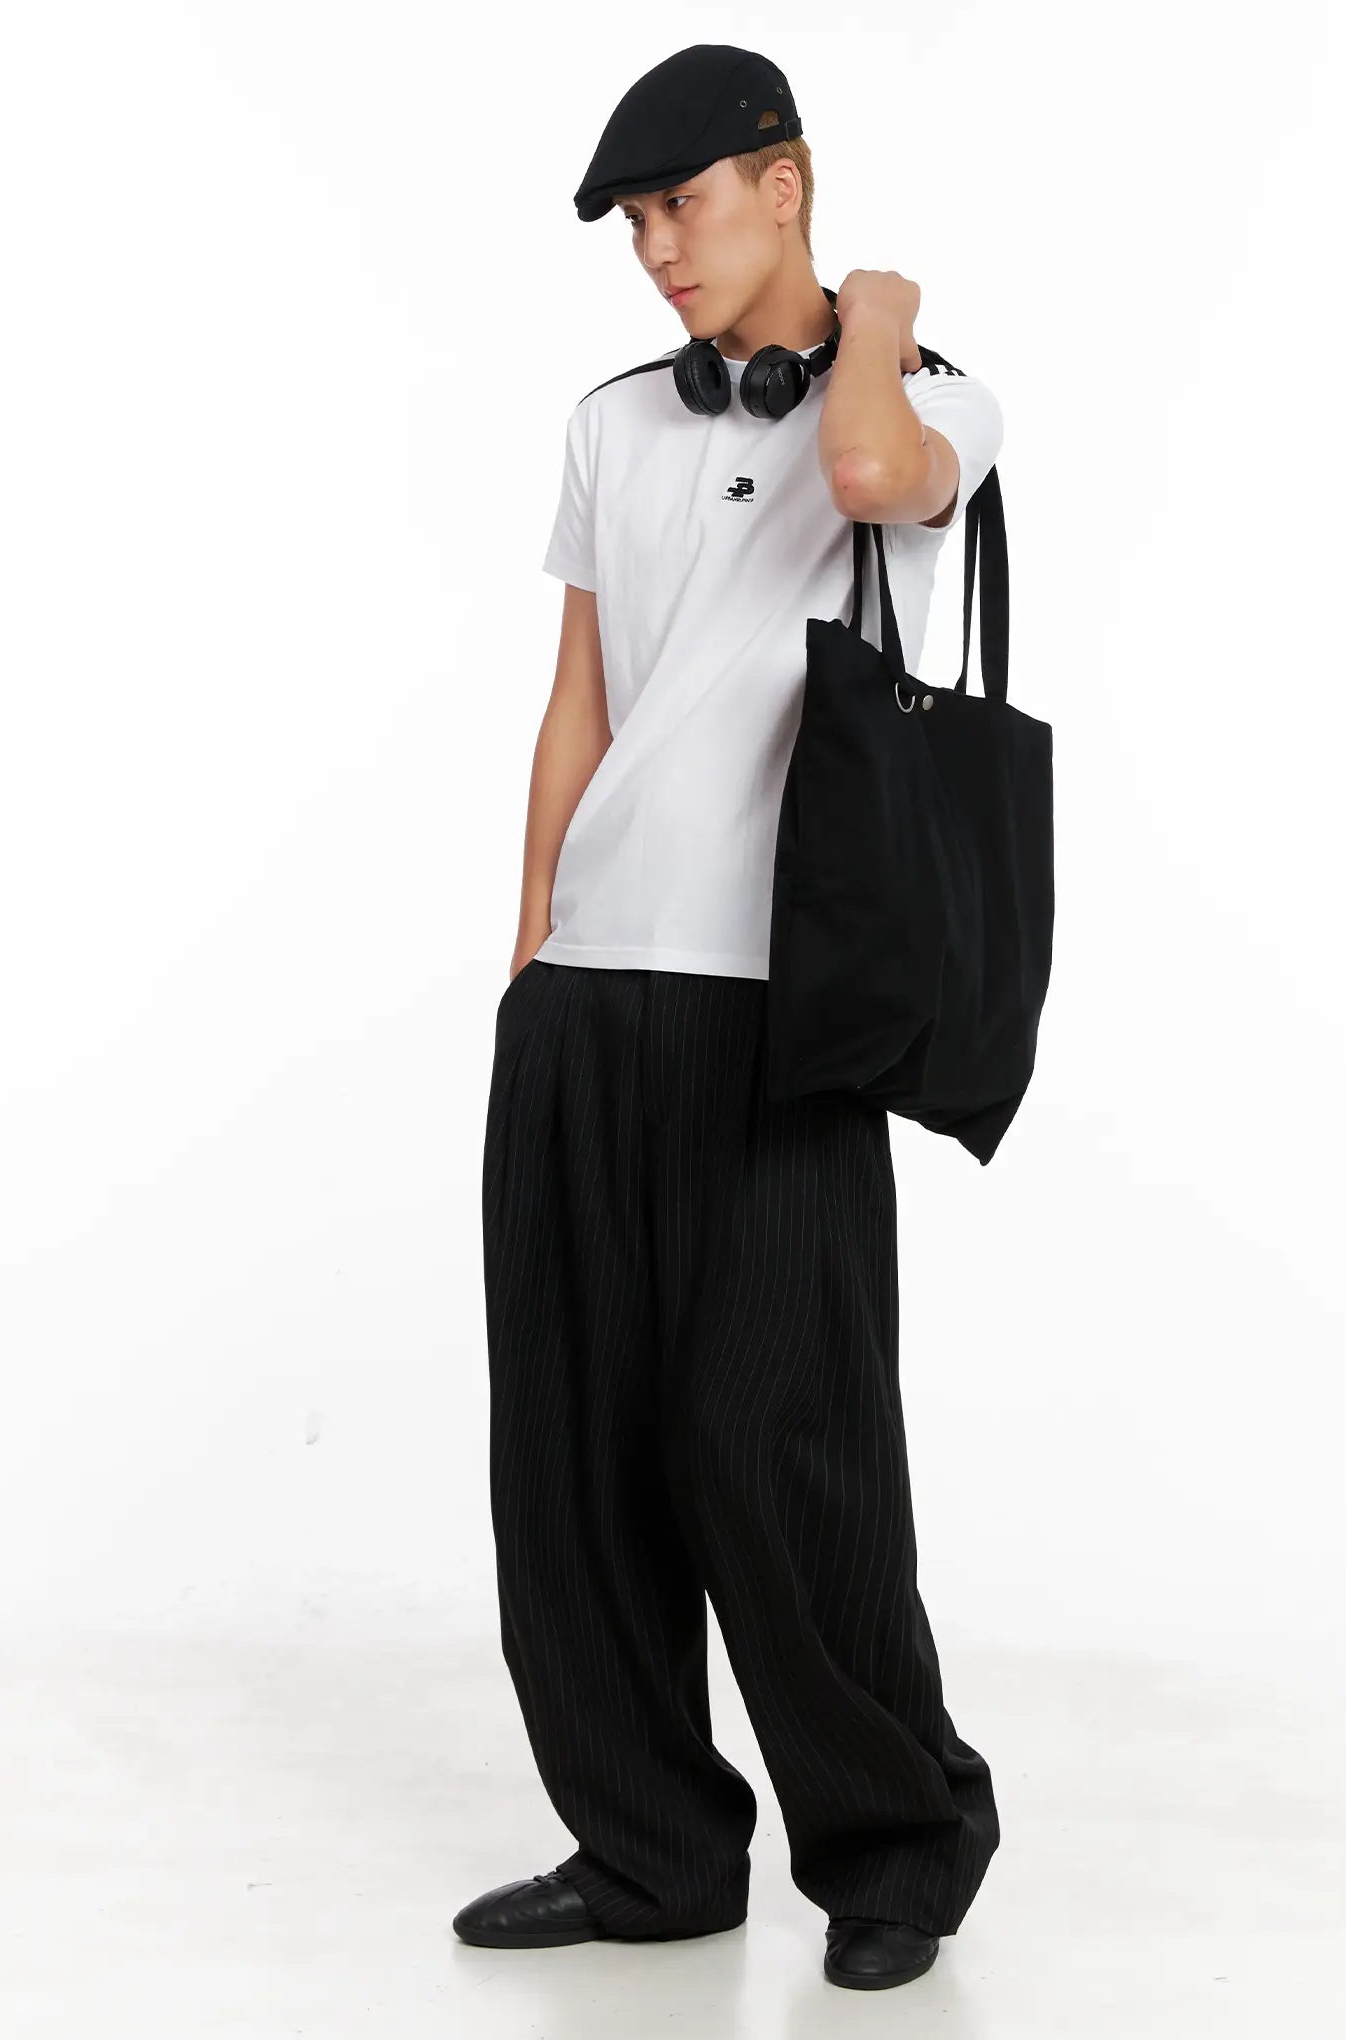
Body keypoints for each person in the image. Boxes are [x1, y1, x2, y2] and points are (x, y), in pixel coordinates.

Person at [452, 44, 1006, 1994]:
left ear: (786, 181)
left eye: (683, 204)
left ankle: (897, 1848)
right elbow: (581, 696)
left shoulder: (931, 397)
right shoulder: (612, 422)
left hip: (782, 1004)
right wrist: (534, 945)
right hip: (589, 999)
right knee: (573, 1452)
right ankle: (649, 1847)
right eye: (633, 222)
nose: (656, 251)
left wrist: (886, 313)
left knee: (784, 1441)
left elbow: (868, 477)